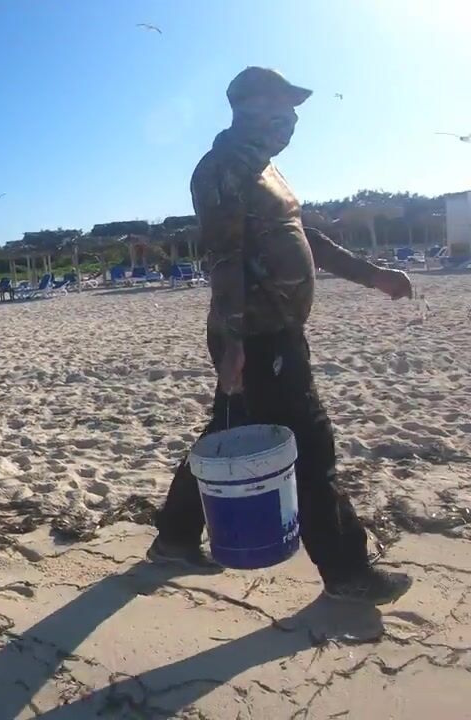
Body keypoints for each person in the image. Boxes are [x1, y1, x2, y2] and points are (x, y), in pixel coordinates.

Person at [149, 67, 414, 605]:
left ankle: (174, 538)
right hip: (258, 335)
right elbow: (224, 257)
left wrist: (372, 276)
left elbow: (303, 235)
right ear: (247, 108)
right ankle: (347, 571)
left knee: (231, 428)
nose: (290, 119)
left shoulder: (263, 168)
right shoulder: (222, 168)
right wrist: (234, 342)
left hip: (272, 331)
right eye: (281, 107)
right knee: (309, 445)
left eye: (292, 109)